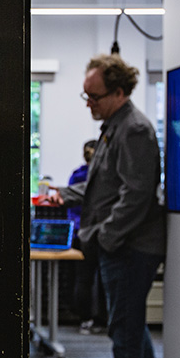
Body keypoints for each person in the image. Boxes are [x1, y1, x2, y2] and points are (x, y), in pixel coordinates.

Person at [45, 54, 166, 358]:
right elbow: (104, 183)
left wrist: (105, 236)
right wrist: (65, 193)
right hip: (123, 244)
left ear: (117, 92)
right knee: (129, 321)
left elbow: (137, 194)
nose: (88, 104)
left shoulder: (134, 130)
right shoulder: (114, 125)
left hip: (131, 247)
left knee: (122, 326)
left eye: (93, 96)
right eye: (85, 97)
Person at [67, 140, 106, 335]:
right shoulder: (102, 176)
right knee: (103, 278)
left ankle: (84, 319)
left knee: (83, 278)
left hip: (79, 232)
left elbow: (70, 206)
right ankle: (101, 320)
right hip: (99, 232)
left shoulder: (76, 176)